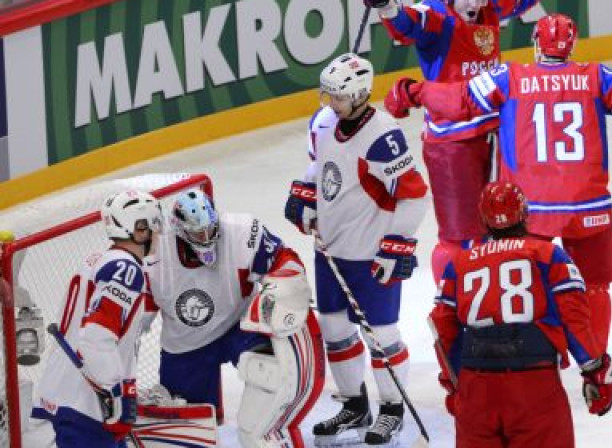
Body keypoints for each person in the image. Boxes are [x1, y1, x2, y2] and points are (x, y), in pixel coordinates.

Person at [384, 13, 612, 352]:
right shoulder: (596, 76)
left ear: (536, 44)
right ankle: (596, 360)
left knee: (531, 282)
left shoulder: (510, 77)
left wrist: (415, 91)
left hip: (532, 208)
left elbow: (460, 100)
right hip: (589, 205)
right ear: (572, 46)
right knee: (595, 287)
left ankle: (543, 356)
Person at [284, 53, 429, 445]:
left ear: (361, 94)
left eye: (338, 97)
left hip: (369, 255)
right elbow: (323, 168)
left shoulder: (384, 136)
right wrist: (305, 194)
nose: (329, 104)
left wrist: (396, 246)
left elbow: (414, 196)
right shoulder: (325, 123)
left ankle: (392, 408)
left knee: (380, 335)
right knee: (335, 330)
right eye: (327, 95)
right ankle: (355, 404)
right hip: (330, 250)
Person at [430, 181, 612, 448]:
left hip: (476, 386)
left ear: (484, 220)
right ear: (525, 213)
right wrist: (594, 371)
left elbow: (442, 326)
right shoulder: (549, 254)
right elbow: (573, 316)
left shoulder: (459, 262)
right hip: (533, 385)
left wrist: (453, 382)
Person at [367, 0, 539, 281]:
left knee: (503, 223)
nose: (475, 4)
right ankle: (452, 303)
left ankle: (495, 292)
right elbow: (407, 22)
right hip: (452, 144)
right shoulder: (435, 14)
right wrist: (387, 6)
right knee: (459, 236)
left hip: (495, 135)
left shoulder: (491, 8)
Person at [144, 188, 325, 448]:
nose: (207, 238)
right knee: (187, 431)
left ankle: (273, 437)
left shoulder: (241, 232)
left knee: (269, 382)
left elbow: (287, 260)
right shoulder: (155, 257)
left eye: (210, 229)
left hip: (239, 325)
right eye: (198, 233)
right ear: (180, 232)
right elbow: (133, 322)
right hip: (186, 346)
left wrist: (280, 285)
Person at [32, 190, 163, 447]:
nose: (158, 233)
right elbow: (96, 336)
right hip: (87, 408)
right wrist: (116, 392)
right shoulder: (126, 270)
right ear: (139, 230)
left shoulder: (98, 260)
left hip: (61, 396)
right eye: (154, 225)